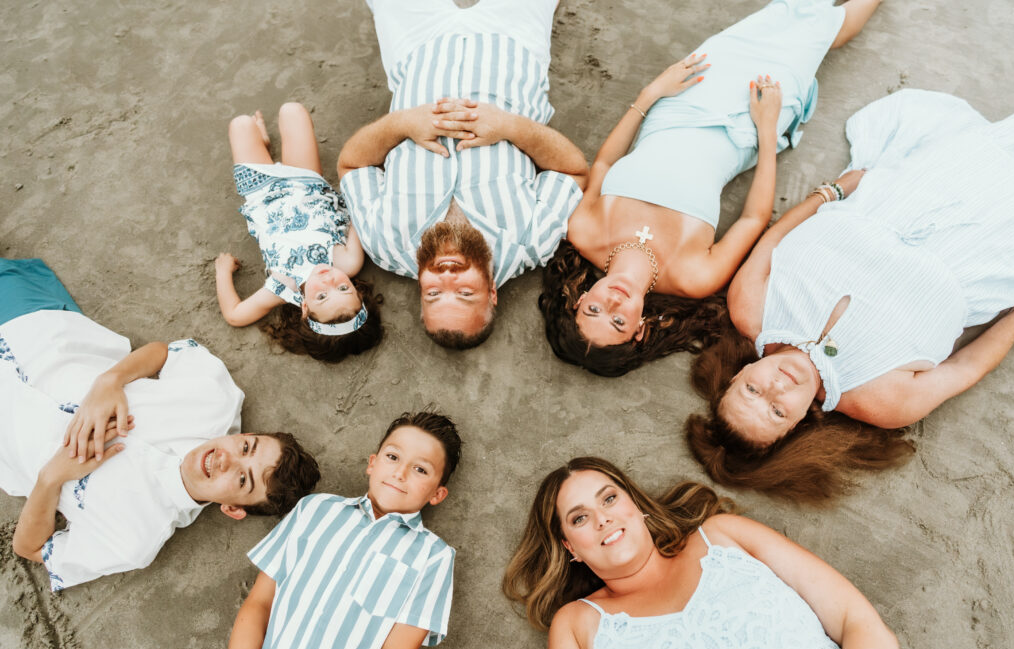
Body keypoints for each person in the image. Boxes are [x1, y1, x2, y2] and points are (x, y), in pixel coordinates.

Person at [686, 89, 1014, 501]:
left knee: (992, 147)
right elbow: (967, 367)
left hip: (899, 196)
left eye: (752, 391)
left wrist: (832, 191)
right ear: (798, 426)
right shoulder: (880, 404)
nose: (776, 388)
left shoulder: (749, 309)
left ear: (738, 376)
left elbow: (775, 236)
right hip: (986, 250)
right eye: (777, 411)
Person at [539, 0, 882, 376]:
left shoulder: (584, 231)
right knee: (823, 28)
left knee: (786, 11)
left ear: (579, 300)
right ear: (639, 330)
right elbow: (752, 220)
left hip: (680, 98)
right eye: (618, 322)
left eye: (594, 310)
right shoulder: (693, 277)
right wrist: (768, 130)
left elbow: (604, 164)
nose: (613, 304)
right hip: (746, 124)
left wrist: (651, 92)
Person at [0, 258, 321, 591]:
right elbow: (166, 352)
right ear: (248, 434)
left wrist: (51, 478)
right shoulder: (215, 402)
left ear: (233, 509)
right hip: (37, 326)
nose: (227, 459)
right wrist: (110, 381)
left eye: (243, 479)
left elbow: (30, 548)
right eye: (245, 447)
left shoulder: (134, 540)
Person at [502, 457, 900, 649]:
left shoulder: (724, 535)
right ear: (570, 548)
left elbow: (858, 622)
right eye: (579, 518)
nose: (602, 518)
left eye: (608, 499)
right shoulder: (578, 625)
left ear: (635, 505)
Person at [337, 0, 588, 350]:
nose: (447, 277)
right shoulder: (532, 240)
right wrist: (509, 127)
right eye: (465, 293)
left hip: (417, 51)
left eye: (433, 294)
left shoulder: (384, 242)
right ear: (492, 293)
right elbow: (573, 170)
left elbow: (352, 165)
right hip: (511, 49)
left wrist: (403, 123)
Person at [224, 411, 462, 649]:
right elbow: (259, 604)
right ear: (372, 463)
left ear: (437, 494)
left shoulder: (434, 557)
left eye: (420, 470)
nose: (400, 473)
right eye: (393, 457)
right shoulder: (314, 509)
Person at [217, 102, 382, 363]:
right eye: (343, 288)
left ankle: (262, 146)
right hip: (306, 180)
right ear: (357, 292)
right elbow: (360, 214)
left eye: (322, 296)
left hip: (261, 191)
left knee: (241, 124)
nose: (329, 281)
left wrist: (222, 272)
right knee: (292, 111)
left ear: (305, 308)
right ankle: (264, 147)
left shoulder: (282, 287)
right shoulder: (348, 261)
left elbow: (235, 315)